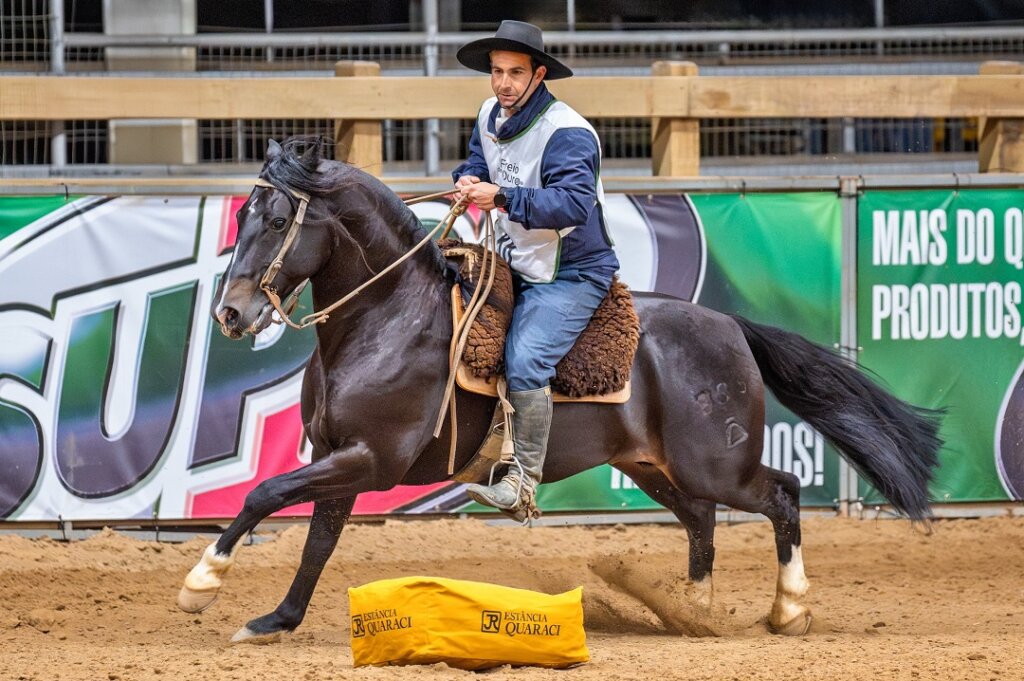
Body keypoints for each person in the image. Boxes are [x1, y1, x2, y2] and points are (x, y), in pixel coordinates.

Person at [453, 20, 619, 519]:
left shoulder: (567, 132)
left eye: (515, 73)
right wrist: (467, 179)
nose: (502, 83)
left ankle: (522, 483)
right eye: (497, 71)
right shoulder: (488, 111)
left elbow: (572, 204)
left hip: (572, 270)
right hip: (516, 259)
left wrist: (500, 196)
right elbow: (478, 159)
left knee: (525, 359)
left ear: (538, 74)